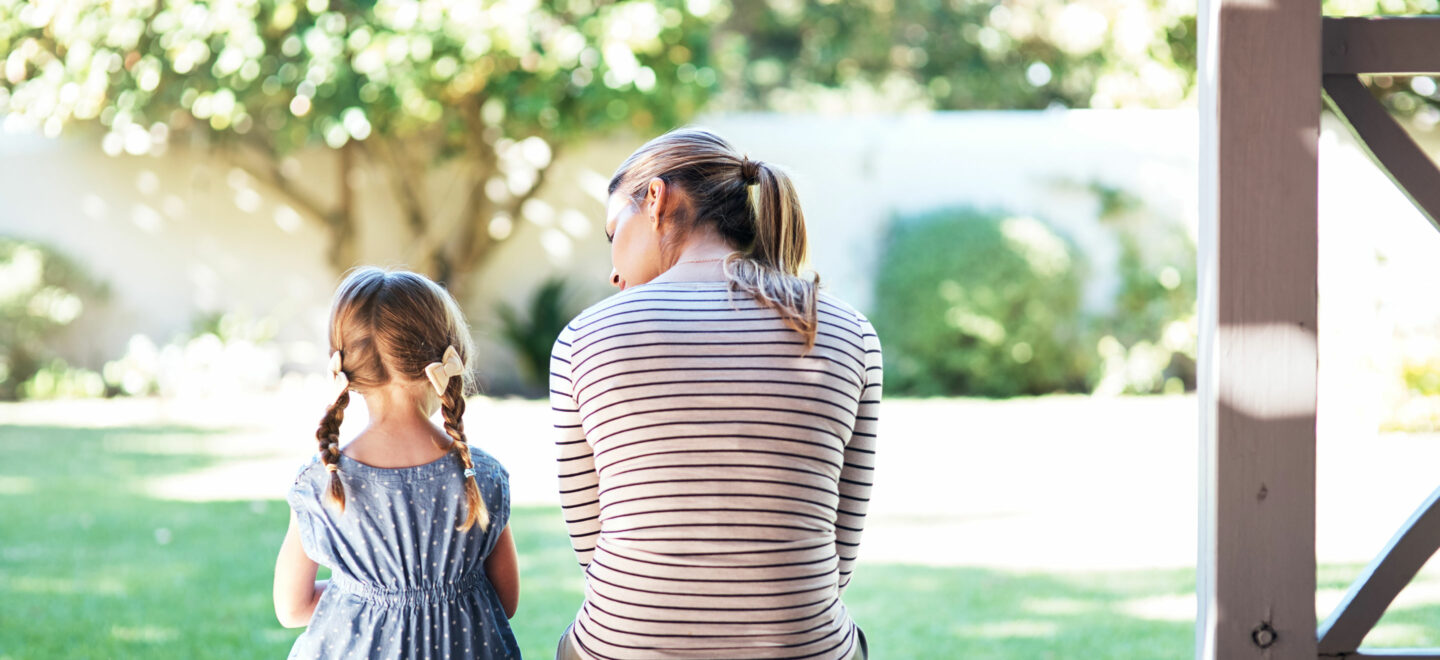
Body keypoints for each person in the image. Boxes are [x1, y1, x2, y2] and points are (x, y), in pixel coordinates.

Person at [549, 128, 882, 659]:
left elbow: (593, 548)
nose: (613, 271)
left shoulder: (586, 336)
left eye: (614, 233)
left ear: (655, 199)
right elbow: (840, 553)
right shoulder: (846, 330)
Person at [273, 266, 521, 659]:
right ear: (446, 356)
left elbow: (292, 608)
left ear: (344, 367)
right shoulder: (483, 476)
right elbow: (505, 602)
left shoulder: (322, 482)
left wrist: (360, 594)